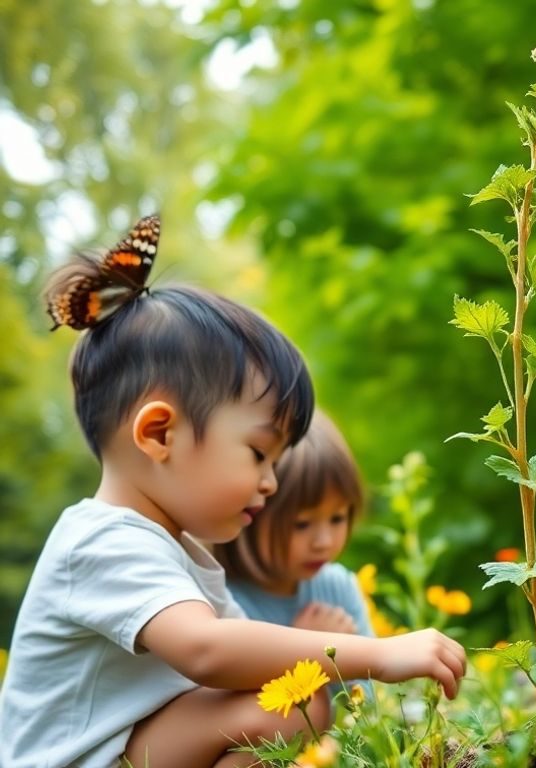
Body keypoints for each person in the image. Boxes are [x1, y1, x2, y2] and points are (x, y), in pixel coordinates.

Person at [0, 215, 466, 768]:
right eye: (258, 453)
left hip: (133, 752)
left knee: (298, 702)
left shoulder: (180, 553)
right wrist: (376, 655)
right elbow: (208, 651)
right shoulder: (101, 540)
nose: (271, 482)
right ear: (159, 434)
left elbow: (250, 660)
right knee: (291, 704)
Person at [215, 410, 373, 644]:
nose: (324, 542)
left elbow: (368, 679)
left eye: (337, 518)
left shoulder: (339, 588)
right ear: (249, 513)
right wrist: (307, 647)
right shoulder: (221, 603)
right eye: (301, 524)